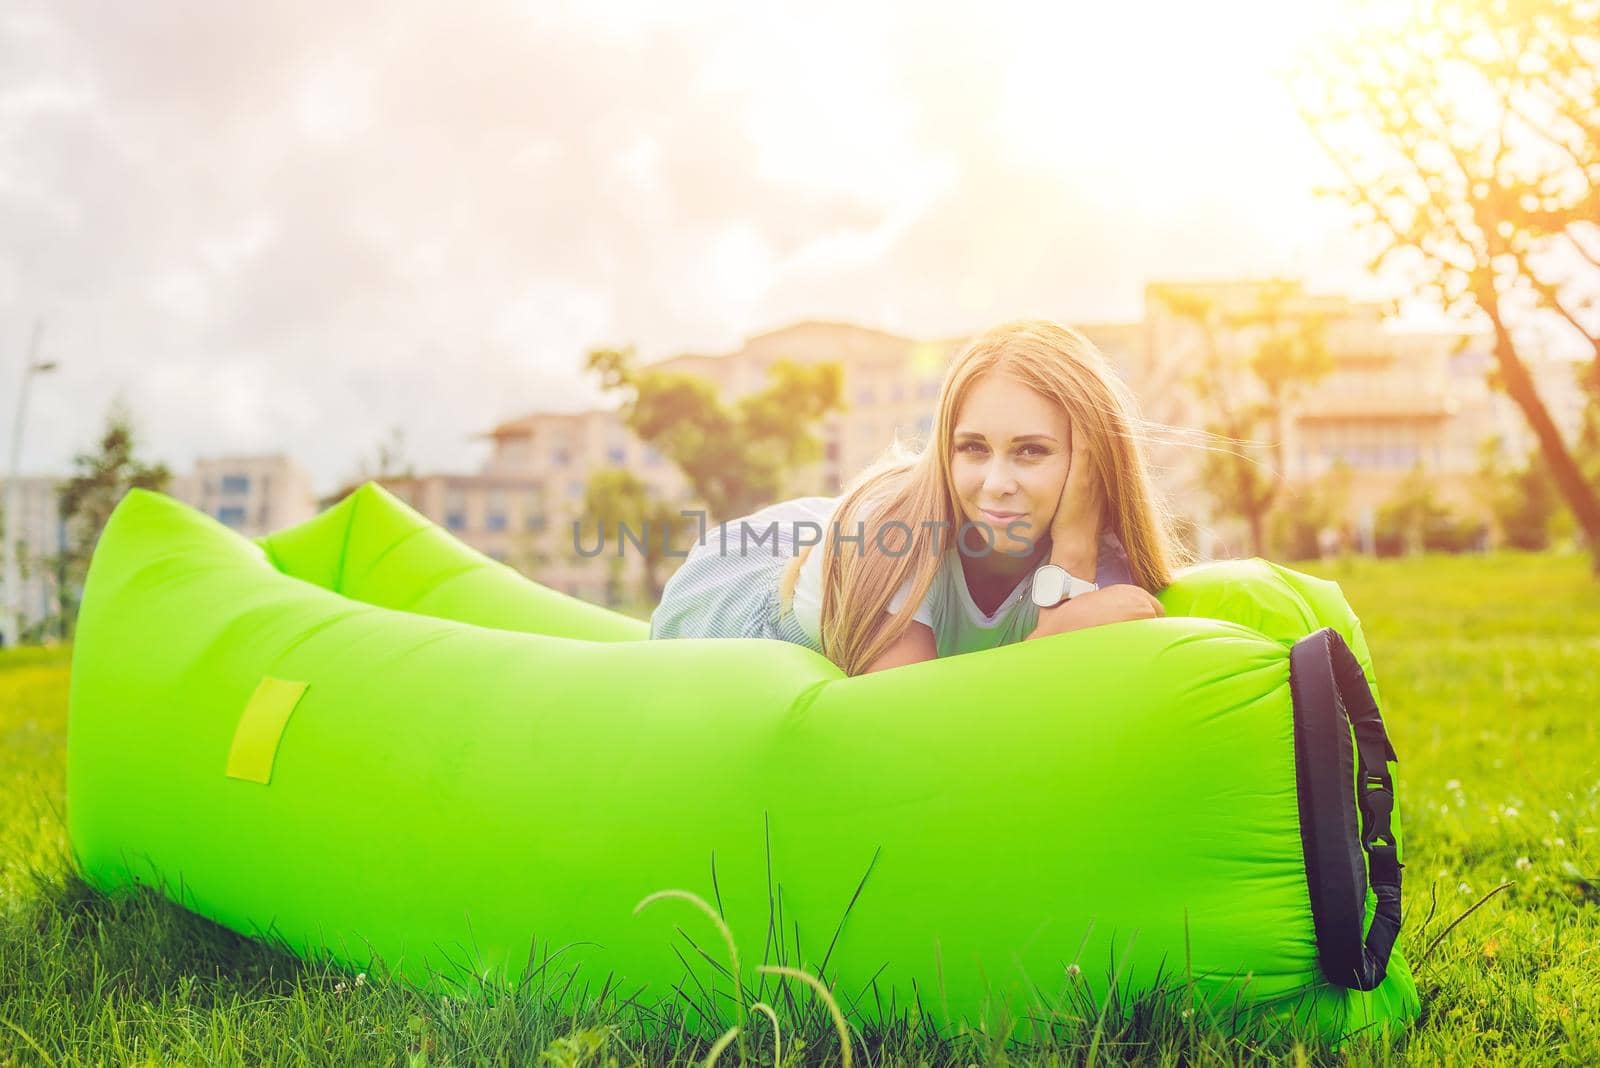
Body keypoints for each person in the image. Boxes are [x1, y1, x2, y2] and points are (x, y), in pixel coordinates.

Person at [648, 319, 1185, 675]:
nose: (995, 481)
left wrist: (1072, 552)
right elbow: (908, 730)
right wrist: (1045, 649)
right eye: (973, 448)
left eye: (1031, 452)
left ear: (1089, 464)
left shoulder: (1101, 556)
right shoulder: (897, 537)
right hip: (748, 585)